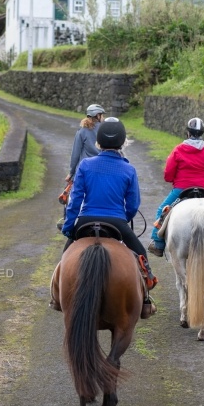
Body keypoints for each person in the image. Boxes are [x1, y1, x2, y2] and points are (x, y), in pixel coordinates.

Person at [53, 118, 157, 307]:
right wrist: (123, 220)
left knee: (65, 257)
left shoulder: (85, 165)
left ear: (98, 143)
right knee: (141, 253)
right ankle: (146, 295)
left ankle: (57, 296)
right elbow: (133, 204)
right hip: (116, 221)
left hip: (86, 219)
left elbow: (75, 200)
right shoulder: (129, 168)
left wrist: (69, 228)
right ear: (123, 143)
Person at [147, 117, 204, 257]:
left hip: (181, 189)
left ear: (188, 133)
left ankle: (157, 243)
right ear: (202, 133)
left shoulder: (178, 150)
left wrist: (174, 180)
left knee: (162, 211)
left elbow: (168, 174)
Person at [57, 104, 105, 230]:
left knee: (69, 193)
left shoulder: (82, 131)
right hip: (101, 169)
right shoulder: (105, 130)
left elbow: (75, 154)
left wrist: (71, 173)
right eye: (102, 115)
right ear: (98, 116)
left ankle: (66, 219)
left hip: (83, 170)